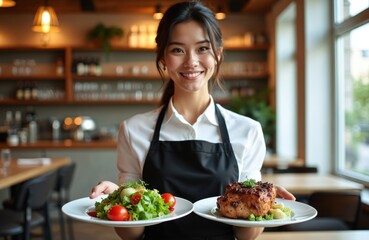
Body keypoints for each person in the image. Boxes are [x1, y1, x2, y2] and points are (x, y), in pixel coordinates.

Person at [90, 1, 295, 240]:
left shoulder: (247, 131)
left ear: (218, 54)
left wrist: (261, 205)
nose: (191, 61)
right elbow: (131, 235)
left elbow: (246, 235)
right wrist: (121, 199)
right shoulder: (133, 130)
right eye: (178, 50)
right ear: (163, 57)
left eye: (202, 49)